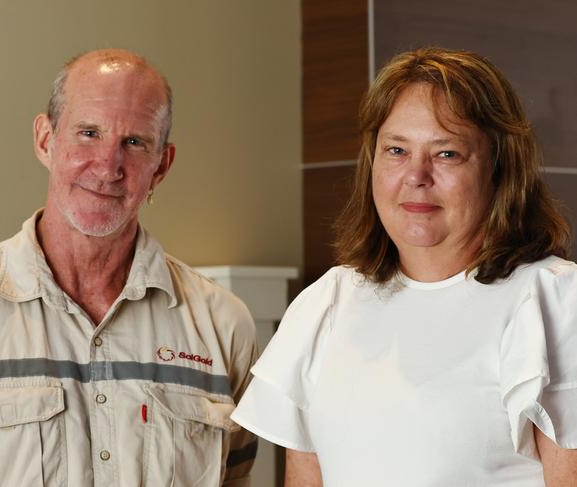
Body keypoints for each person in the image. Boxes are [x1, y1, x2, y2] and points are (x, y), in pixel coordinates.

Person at [231, 47, 577, 486]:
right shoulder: (326, 303)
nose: (417, 175)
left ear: (500, 168)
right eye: (396, 149)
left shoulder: (554, 302)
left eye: (447, 153)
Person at [0, 49, 258, 486]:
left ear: (161, 165)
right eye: (88, 133)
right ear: (46, 140)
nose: (107, 167)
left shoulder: (224, 325)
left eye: (134, 142)